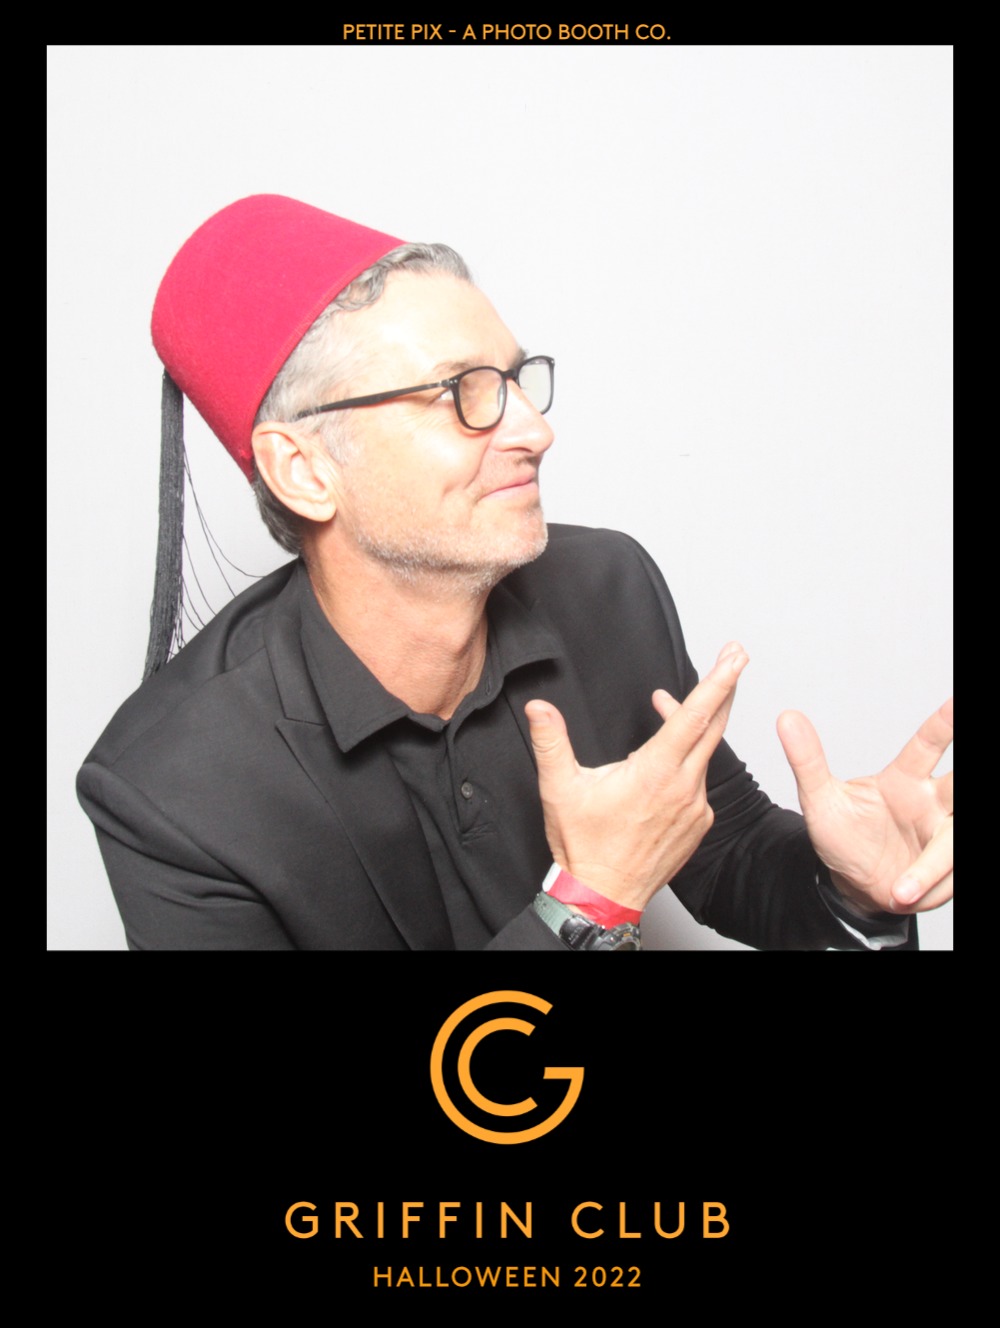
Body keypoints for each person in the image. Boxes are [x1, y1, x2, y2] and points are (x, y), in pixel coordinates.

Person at [77, 195, 953, 951]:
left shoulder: (605, 590)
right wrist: (586, 905)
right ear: (304, 470)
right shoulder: (169, 791)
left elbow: (723, 852)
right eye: (461, 391)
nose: (535, 429)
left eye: (514, 378)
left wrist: (857, 893)